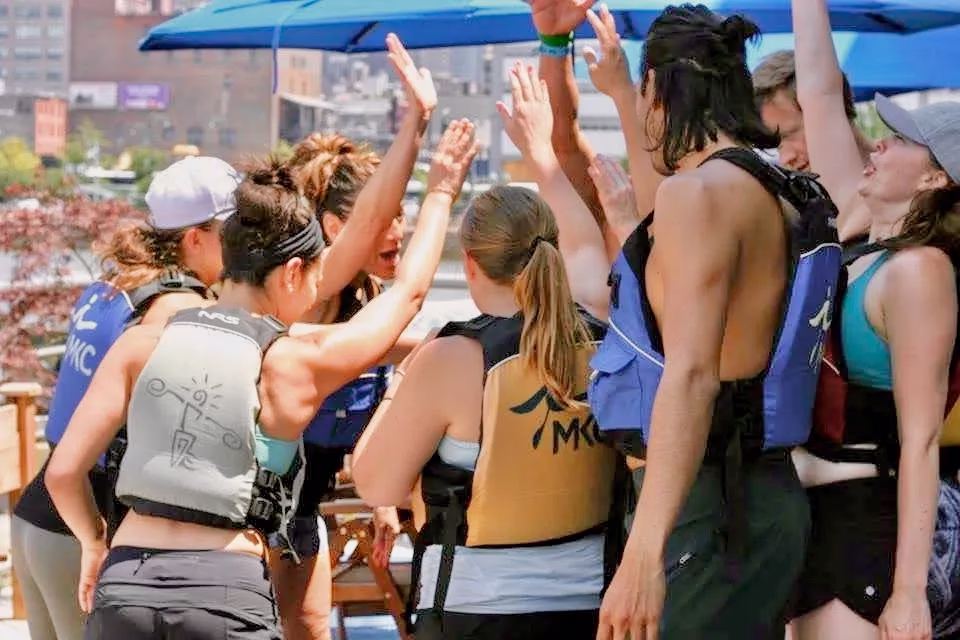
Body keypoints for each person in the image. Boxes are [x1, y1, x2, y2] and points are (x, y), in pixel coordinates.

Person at [44, 113, 476, 639]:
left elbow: (62, 474)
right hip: (223, 591)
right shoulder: (291, 362)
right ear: (293, 272)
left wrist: (94, 543)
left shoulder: (142, 341)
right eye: (315, 275)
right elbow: (407, 296)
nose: (317, 290)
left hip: (126, 585)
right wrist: (441, 192)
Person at [582, 5, 841, 639]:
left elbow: (694, 375)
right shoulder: (779, 189)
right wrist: (618, 93)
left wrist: (644, 552)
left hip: (707, 506)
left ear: (658, 88)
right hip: (767, 494)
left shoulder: (697, 195)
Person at [353, 163, 613, 640]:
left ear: (470, 263)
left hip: (477, 608)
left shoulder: (454, 357)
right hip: (593, 604)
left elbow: (375, 485)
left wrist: (403, 376)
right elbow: (590, 250)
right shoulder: (601, 338)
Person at [789, 1, 960, 638]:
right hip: (810, 515)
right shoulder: (860, 235)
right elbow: (818, 91)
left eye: (902, 139)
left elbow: (921, 439)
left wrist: (909, 592)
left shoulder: (920, 272)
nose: (878, 139)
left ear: (935, 178)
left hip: (867, 520)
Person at [10, 155, 234, 640]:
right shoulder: (176, 306)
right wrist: (95, 539)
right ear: (195, 238)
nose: (243, 245)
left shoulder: (113, 283)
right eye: (232, 232)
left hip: (37, 519)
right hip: (82, 523)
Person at [267, 33, 438, 640]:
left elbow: (383, 362)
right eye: (386, 217)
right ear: (338, 227)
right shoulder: (309, 293)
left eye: (403, 215)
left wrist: (382, 497)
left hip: (309, 500)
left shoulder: (366, 299)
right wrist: (416, 127)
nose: (397, 229)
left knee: (313, 624)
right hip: (263, 503)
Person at [752, 49, 874, 176]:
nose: (785, 159)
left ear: (833, 108)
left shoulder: (888, 179)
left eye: (790, 135)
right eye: (777, 146)